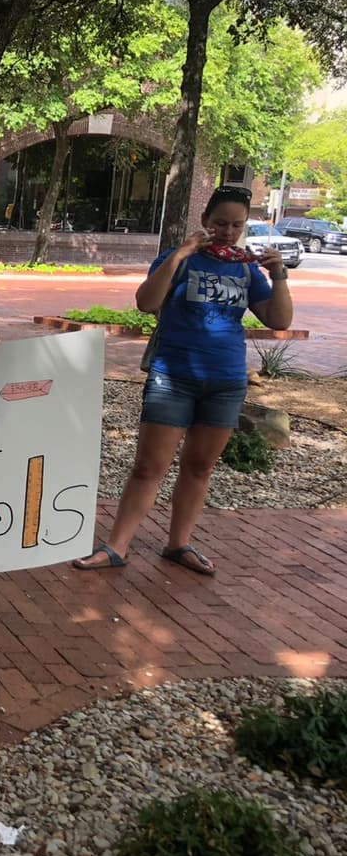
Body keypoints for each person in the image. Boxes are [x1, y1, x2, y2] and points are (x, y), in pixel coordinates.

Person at [74, 185, 293, 576]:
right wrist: (179, 255)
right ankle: (116, 546)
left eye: (236, 225)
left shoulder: (245, 267)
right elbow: (146, 302)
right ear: (205, 220)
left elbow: (279, 320)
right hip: (173, 375)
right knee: (149, 466)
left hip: (225, 380)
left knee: (200, 467)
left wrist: (278, 276)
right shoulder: (181, 260)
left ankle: (179, 543)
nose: (227, 231)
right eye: (220, 223)